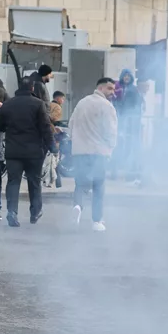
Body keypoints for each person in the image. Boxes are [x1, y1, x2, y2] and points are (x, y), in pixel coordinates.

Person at [0, 78, 56, 227]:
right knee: (34, 181)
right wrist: (52, 146)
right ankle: (35, 212)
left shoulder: (8, 104)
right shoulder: (38, 104)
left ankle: (12, 212)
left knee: (13, 181)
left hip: (13, 151)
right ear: (32, 88)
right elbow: (45, 127)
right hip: (34, 152)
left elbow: (0, 126)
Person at [68, 77, 118, 232]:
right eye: (110, 88)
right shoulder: (107, 106)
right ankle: (97, 221)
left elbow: (71, 125)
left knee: (80, 183)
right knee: (98, 186)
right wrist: (111, 148)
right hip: (99, 152)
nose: (112, 92)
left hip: (79, 151)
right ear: (100, 88)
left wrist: (74, 142)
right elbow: (111, 131)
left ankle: (77, 206)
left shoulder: (81, 103)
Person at [112, 68, 143, 184]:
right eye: (125, 76)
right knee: (117, 146)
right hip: (119, 119)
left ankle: (128, 173)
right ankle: (114, 171)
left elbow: (137, 104)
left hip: (129, 121)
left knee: (129, 148)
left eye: (128, 76)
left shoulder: (133, 89)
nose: (126, 78)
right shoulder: (117, 88)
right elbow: (114, 101)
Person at [42, 90, 66, 189]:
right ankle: (56, 181)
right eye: (62, 99)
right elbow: (55, 119)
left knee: (46, 157)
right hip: (53, 134)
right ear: (58, 98)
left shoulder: (47, 104)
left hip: (44, 133)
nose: (63, 101)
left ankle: (48, 179)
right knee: (55, 158)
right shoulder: (57, 107)